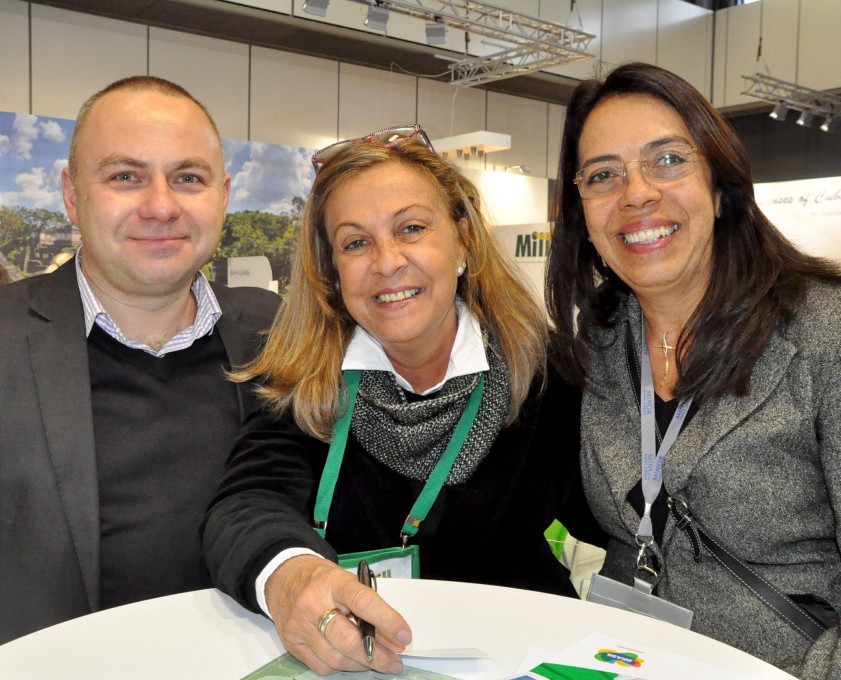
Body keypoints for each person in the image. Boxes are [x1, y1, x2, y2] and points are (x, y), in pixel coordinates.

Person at [546, 62, 841, 678]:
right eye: (603, 175)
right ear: (583, 211)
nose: (636, 193)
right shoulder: (594, 350)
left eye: (667, 160)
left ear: (721, 184)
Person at [0, 75, 280, 671]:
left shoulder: (269, 330)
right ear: (72, 193)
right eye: (125, 176)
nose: (161, 205)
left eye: (188, 177)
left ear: (223, 195)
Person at [203, 125, 599, 676]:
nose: (387, 262)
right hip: (360, 663)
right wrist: (294, 575)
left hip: (520, 658)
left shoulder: (549, 372)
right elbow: (246, 504)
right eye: (356, 242)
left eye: (411, 228)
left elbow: (614, 513)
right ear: (331, 270)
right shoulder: (303, 378)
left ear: (463, 240)